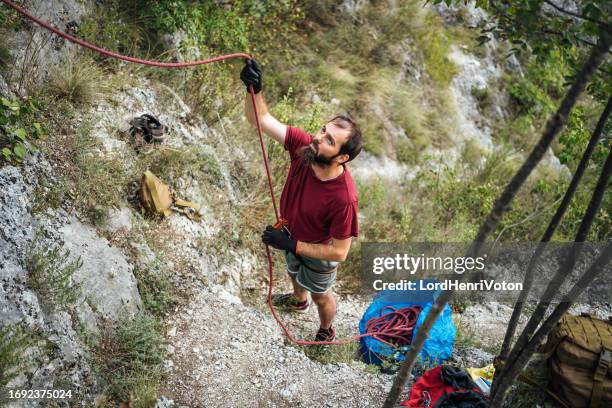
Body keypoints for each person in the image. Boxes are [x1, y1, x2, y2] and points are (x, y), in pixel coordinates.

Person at [240, 59, 363, 342]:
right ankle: (298, 300)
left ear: (342, 157)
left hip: (317, 254)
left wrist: (292, 244)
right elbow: (259, 120)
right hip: (290, 233)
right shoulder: (303, 146)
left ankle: (325, 330)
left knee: (322, 296)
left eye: (329, 141)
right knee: (293, 271)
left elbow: (340, 252)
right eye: (322, 131)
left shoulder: (343, 197)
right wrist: (255, 90)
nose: (318, 138)